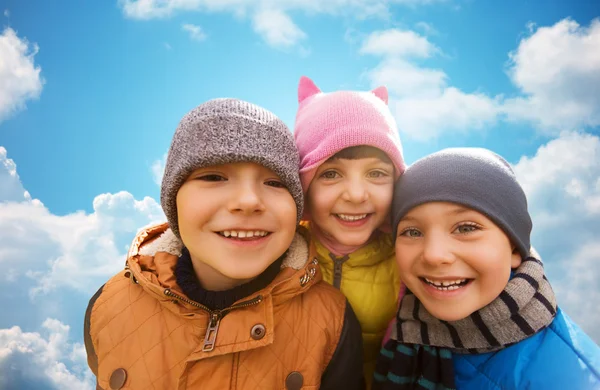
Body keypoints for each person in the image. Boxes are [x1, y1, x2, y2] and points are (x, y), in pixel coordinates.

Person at [84, 98, 364, 390]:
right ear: (173, 200)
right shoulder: (108, 305)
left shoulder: (332, 322)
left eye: (274, 183)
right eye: (214, 176)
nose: (248, 201)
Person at [374, 147, 600, 389]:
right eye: (412, 231)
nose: (434, 255)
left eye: (466, 228)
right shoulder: (406, 329)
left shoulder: (572, 378)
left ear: (514, 248)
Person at [294, 76, 406, 384]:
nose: (356, 194)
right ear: (303, 185)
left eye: (376, 173)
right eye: (330, 173)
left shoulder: (411, 259)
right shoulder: (278, 254)